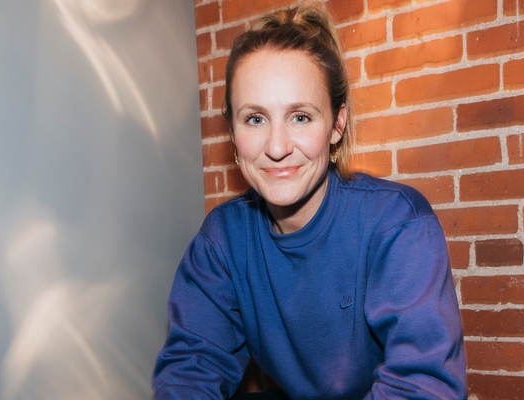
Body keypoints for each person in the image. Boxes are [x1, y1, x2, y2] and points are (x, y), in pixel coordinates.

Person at [152, 3, 466, 399]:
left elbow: (422, 385)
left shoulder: (397, 224)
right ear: (232, 131)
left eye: (300, 116)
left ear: (337, 125)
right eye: (255, 119)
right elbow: (190, 370)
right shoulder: (222, 240)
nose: (277, 147)